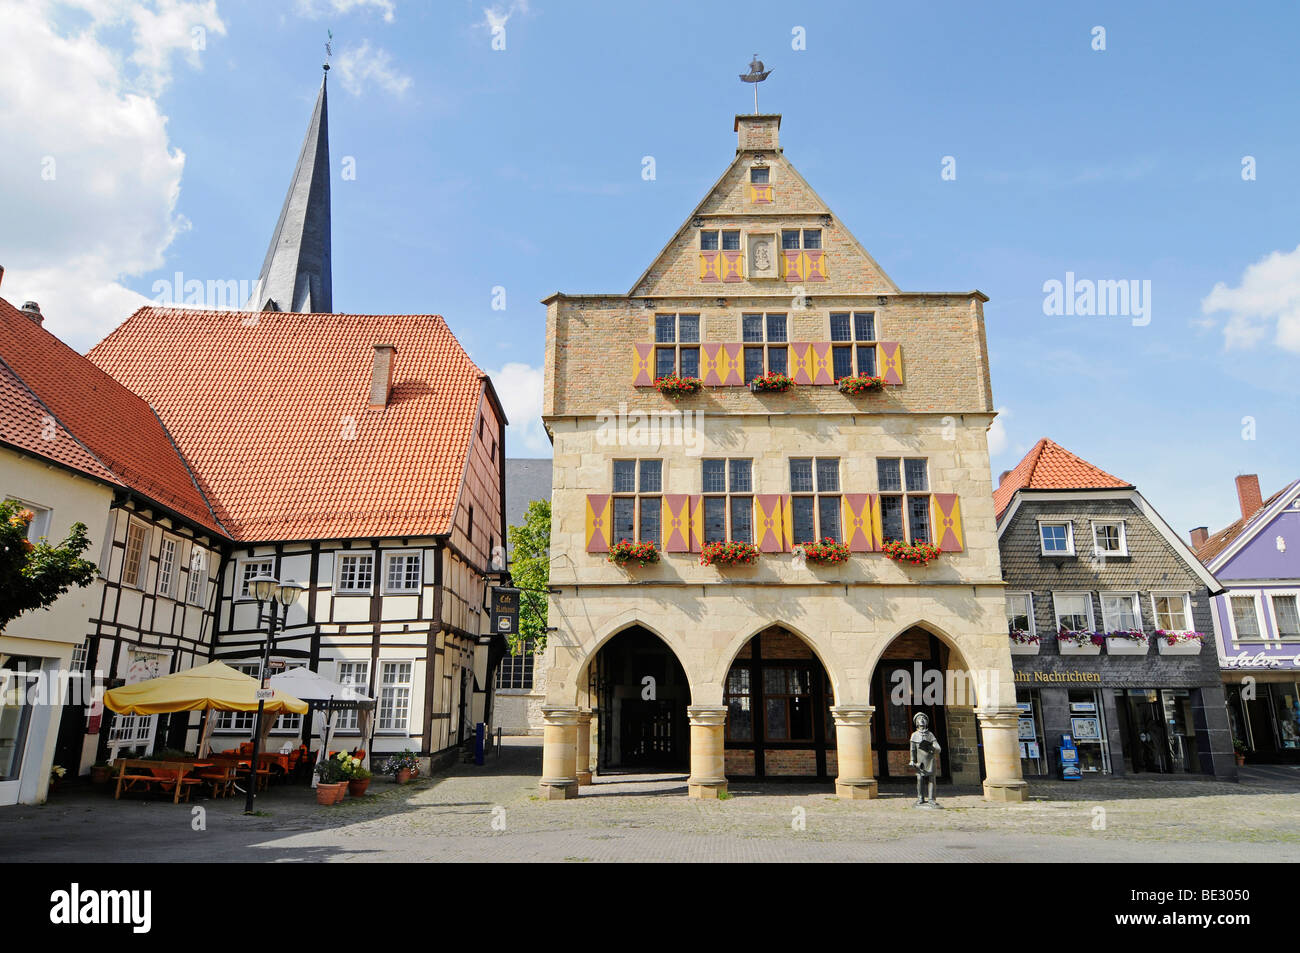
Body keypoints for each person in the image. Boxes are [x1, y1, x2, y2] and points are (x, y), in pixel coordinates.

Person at [907, 711, 941, 807]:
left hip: (930, 761)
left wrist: (934, 748)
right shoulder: (914, 735)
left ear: (926, 722)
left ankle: (931, 799)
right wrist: (912, 760)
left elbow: (937, 747)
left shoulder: (930, 735)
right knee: (920, 779)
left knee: (931, 780)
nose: (921, 720)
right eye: (919, 719)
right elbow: (912, 749)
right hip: (920, 762)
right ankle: (920, 798)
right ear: (916, 722)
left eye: (923, 718)